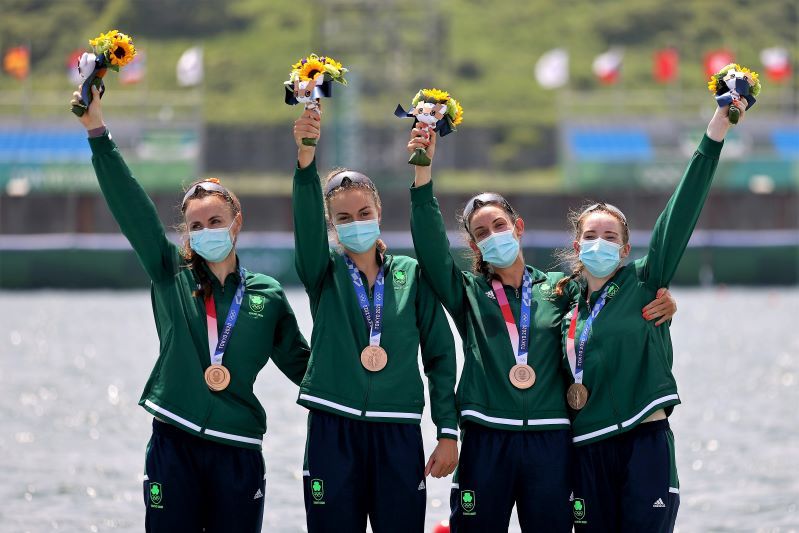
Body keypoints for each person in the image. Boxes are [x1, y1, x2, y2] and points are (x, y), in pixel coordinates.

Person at [406, 125, 677, 531]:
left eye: (499, 225)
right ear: (474, 247)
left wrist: (665, 306)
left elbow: (604, 310)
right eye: (481, 234)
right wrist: (422, 176)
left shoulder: (561, 288)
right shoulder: (468, 293)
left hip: (552, 440)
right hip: (486, 436)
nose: (492, 236)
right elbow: (429, 246)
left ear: (518, 228)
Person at [71, 85, 311, 533]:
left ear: (236, 224)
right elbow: (132, 207)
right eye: (196, 225)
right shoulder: (170, 274)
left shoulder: (267, 295)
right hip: (173, 440)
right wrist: (97, 132)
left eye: (215, 222)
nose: (205, 231)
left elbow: (307, 369)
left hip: (238, 446)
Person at [553, 98, 747, 532]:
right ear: (577, 245)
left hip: (645, 441)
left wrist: (717, 128)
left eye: (610, 236)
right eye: (590, 235)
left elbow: (680, 212)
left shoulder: (645, 280)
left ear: (625, 249)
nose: (599, 242)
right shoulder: (561, 296)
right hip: (585, 447)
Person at [291, 107, 459, 533]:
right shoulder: (322, 271)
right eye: (343, 218)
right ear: (331, 225)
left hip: (398, 431)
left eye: (363, 213)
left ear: (379, 212)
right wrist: (306, 159)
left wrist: (447, 430)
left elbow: (440, 355)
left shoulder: (411, 275)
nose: (355, 223)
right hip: (334, 427)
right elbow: (306, 224)